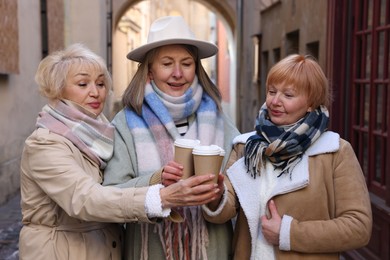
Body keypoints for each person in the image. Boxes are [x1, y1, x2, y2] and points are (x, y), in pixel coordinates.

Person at [19, 43, 222, 260]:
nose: (95, 92)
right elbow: (85, 199)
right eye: (82, 84)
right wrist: (161, 197)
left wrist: (158, 178)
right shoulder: (45, 144)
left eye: (100, 83)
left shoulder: (98, 134)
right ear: (57, 90)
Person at [203, 54, 373, 260]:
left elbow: (359, 226)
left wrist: (289, 233)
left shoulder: (335, 151)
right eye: (272, 91)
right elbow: (226, 209)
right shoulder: (246, 146)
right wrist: (216, 196)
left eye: (288, 95)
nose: (275, 101)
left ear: (311, 102)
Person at [103, 16, 240, 260]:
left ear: (196, 67)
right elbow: (110, 196)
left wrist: (218, 196)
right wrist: (157, 182)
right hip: (150, 251)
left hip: (212, 252)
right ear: (150, 70)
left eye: (186, 63)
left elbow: (238, 198)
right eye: (167, 64)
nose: (178, 73)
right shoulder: (125, 122)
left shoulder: (220, 119)